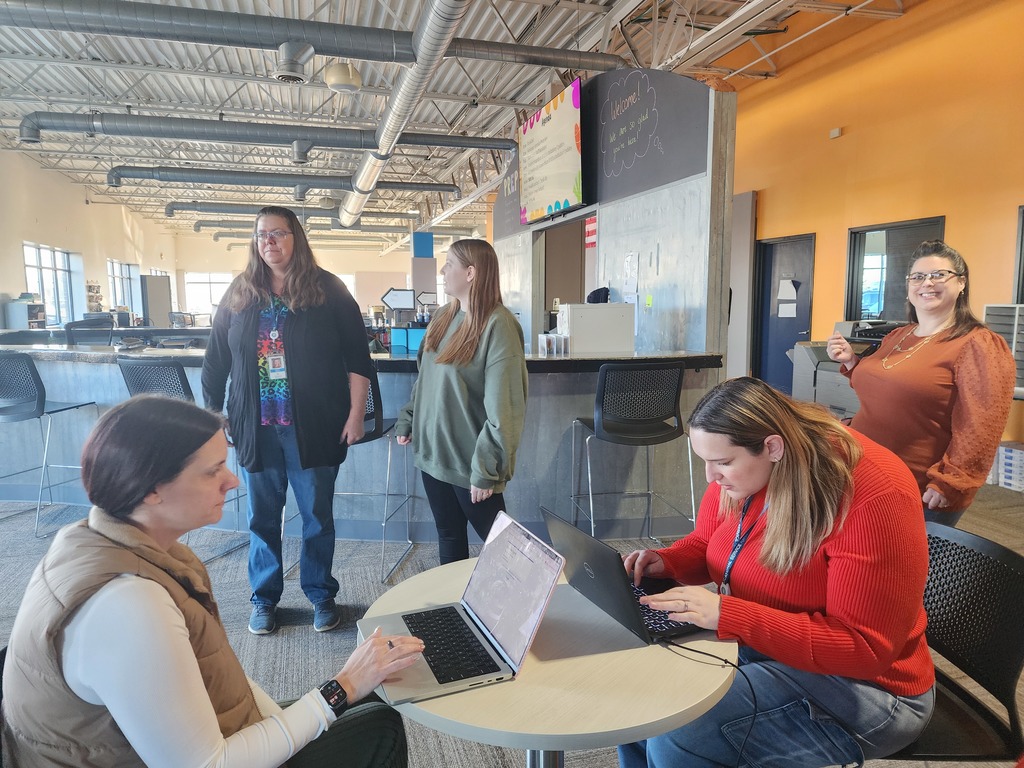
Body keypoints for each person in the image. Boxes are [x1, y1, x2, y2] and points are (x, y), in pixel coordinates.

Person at [1, 395, 423, 768]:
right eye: (213, 470)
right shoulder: (127, 604)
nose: (233, 480)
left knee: (369, 698)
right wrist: (341, 687)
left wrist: (319, 704)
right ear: (151, 489)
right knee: (377, 726)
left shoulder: (101, 541)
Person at [619, 377, 935, 768]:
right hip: (767, 650)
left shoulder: (872, 495)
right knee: (640, 706)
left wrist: (728, 614)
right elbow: (708, 543)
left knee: (682, 736)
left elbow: (864, 649)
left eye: (722, 463)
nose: (709, 478)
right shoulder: (747, 466)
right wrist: (666, 562)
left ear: (772, 446)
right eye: (704, 460)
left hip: (872, 690)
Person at [202, 205, 373, 635]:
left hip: (313, 427)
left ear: (296, 237)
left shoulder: (327, 289)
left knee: (316, 516)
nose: (269, 243)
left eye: (277, 233)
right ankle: (264, 598)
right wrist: (213, 414)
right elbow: (215, 359)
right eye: (261, 235)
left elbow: (358, 358)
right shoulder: (240, 292)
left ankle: (320, 594)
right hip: (256, 429)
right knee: (262, 516)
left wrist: (357, 414)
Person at [826, 240, 1015, 526]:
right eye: (918, 276)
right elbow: (891, 389)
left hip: (915, 485)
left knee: (900, 568)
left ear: (961, 283)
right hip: (860, 468)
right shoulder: (900, 335)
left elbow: (982, 427)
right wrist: (853, 363)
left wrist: (951, 482)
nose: (926, 283)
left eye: (939, 275)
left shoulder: (978, 343)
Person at [395, 239, 527, 565]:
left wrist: (487, 468)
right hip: (434, 455)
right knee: (449, 536)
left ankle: (527, 612)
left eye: (449, 264)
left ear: (470, 272)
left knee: (505, 553)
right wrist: (409, 417)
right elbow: (426, 378)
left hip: (470, 463)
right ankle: (454, 611)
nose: (442, 270)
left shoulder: (499, 325)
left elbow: (506, 405)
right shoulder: (444, 315)